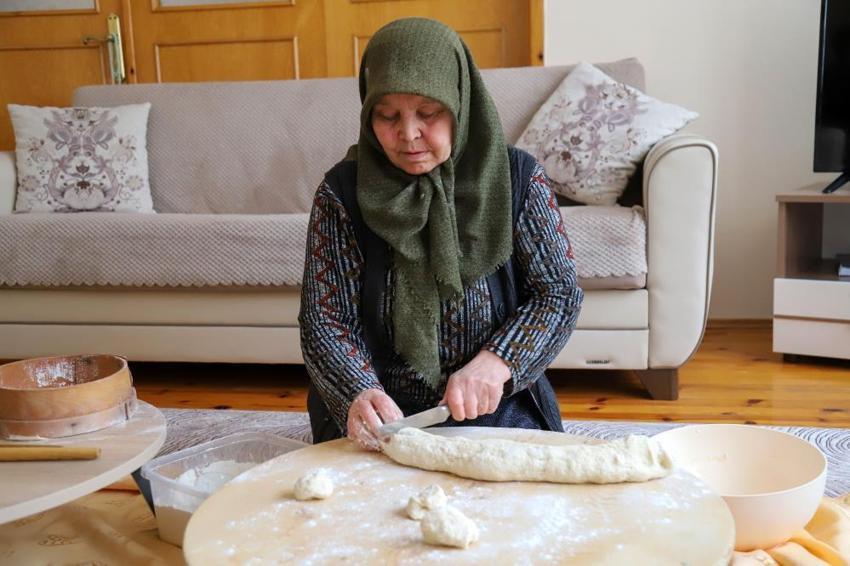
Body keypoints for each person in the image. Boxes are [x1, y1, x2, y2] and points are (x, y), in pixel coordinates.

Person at [299, 17, 583, 450]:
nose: (408, 134)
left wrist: (497, 361)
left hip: (493, 400)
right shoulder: (342, 193)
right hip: (380, 410)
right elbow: (326, 317)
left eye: (428, 113)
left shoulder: (518, 179)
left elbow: (557, 293)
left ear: (460, 103)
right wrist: (358, 390)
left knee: (512, 496)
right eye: (387, 115)